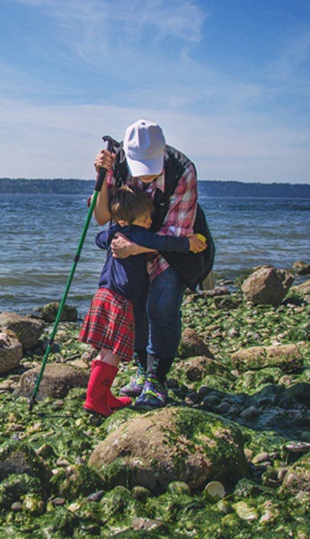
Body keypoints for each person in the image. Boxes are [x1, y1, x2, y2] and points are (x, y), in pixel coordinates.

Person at [92, 119, 201, 409]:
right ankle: (142, 371)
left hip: (171, 244)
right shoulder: (116, 164)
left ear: (163, 153)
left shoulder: (183, 170)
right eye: (141, 169)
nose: (147, 177)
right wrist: (101, 179)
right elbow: (102, 219)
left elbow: (175, 235)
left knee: (162, 306)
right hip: (131, 250)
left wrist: (134, 247)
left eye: (152, 169)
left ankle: (157, 378)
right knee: (134, 308)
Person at [81, 185, 206, 416]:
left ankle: (102, 395)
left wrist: (113, 233)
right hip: (121, 298)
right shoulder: (138, 234)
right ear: (131, 220)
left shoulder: (115, 232)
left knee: (105, 349)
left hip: (103, 295)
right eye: (145, 218)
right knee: (114, 354)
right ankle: (94, 401)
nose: (150, 222)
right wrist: (189, 244)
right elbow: (164, 243)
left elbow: (99, 238)